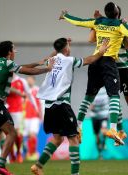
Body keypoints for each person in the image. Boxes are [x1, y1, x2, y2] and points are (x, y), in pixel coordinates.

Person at [60, 2, 128, 144]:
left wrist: (66, 15)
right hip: (109, 63)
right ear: (116, 14)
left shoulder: (107, 23)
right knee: (114, 97)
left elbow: (80, 22)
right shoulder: (115, 24)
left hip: (113, 65)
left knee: (120, 98)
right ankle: (117, 130)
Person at [0, 40, 55, 175]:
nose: (14, 52)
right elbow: (27, 71)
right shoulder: (8, 63)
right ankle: (0, 165)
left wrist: (39, 63)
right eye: (13, 50)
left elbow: (19, 67)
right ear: (9, 52)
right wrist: (47, 69)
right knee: (12, 133)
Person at [31, 38, 109, 175]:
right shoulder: (69, 60)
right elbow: (89, 60)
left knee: (57, 139)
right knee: (73, 138)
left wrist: (59, 47)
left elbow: (53, 55)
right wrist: (101, 51)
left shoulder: (52, 60)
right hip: (61, 104)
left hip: (49, 106)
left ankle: (38, 166)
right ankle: (75, 174)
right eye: (68, 46)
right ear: (66, 48)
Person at [88, 7, 128, 145]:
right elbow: (92, 40)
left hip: (124, 67)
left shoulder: (121, 26)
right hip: (109, 67)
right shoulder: (103, 26)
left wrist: (125, 29)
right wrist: (96, 23)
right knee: (114, 98)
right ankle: (120, 131)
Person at [6, 74, 38, 163]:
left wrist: (35, 107)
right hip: (6, 109)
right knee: (8, 134)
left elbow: (29, 94)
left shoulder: (21, 81)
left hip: (18, 111)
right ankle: (12, 155)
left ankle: (19, 153)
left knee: (16, 132)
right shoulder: (4, 79)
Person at [24, 76, 43, 161]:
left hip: (35, 116)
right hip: (25, 117)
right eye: (28, 80)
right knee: (28, 136)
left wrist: (42, 115)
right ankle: (29, 153)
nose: (29, 81)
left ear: (34, 80)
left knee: (33, 134)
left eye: (30, 79)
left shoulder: (37, 90)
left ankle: (33, 153)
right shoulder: (24, 91)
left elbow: (42, 103)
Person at [89, 87, 109, 160]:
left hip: (104, 115)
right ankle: (100, 154)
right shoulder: (92, 90)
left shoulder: (106, 90)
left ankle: (104, 143)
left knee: (104, 131)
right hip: (95, 116)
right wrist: (91, 106)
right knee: (97, 136)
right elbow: (90, 104)